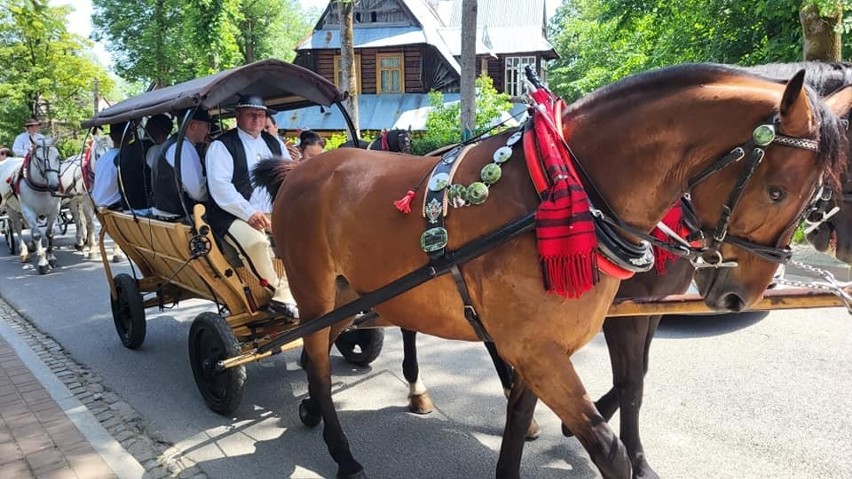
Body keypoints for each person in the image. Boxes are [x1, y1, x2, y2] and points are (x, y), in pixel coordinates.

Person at [205, 94, 297, 319]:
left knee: (307, 239)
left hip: (273, 212)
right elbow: (220, 187)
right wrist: (249, 213)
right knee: (256, 243)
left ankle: (284, 297)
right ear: (237, 116)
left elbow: (290, 177)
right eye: (251, 114)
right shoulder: (221, 146)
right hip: (232, 214)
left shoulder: (274, 143)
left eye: (261, 115)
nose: (257, 119)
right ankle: (275, 292)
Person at [151, 109, 211, 219]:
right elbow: (198, 192)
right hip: (179, 217)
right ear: (193, 125)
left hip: (164, 213)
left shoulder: (169, 145)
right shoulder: (183, 147)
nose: (208, 131)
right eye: (207, 126)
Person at [91, 123, 127, 209]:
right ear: (130, 136)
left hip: (99, 206)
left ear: (111, 136)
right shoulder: (124, 157)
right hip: (116, 207)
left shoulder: (101, 159)